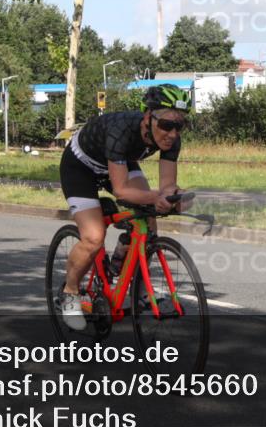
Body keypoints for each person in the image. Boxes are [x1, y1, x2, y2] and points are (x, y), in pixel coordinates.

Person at [58, 84, 190, 330]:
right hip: (81, 168)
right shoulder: (121, 129)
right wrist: (155, 197)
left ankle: (128, 273)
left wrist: (176, 197)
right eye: (166, 125)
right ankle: (70, 292)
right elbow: (121, 190)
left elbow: (167, 186)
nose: (172, 133)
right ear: (148, 117)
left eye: (179, 126)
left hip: (120, 162)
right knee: (94, 237)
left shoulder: (172, 140)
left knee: (149, 222)